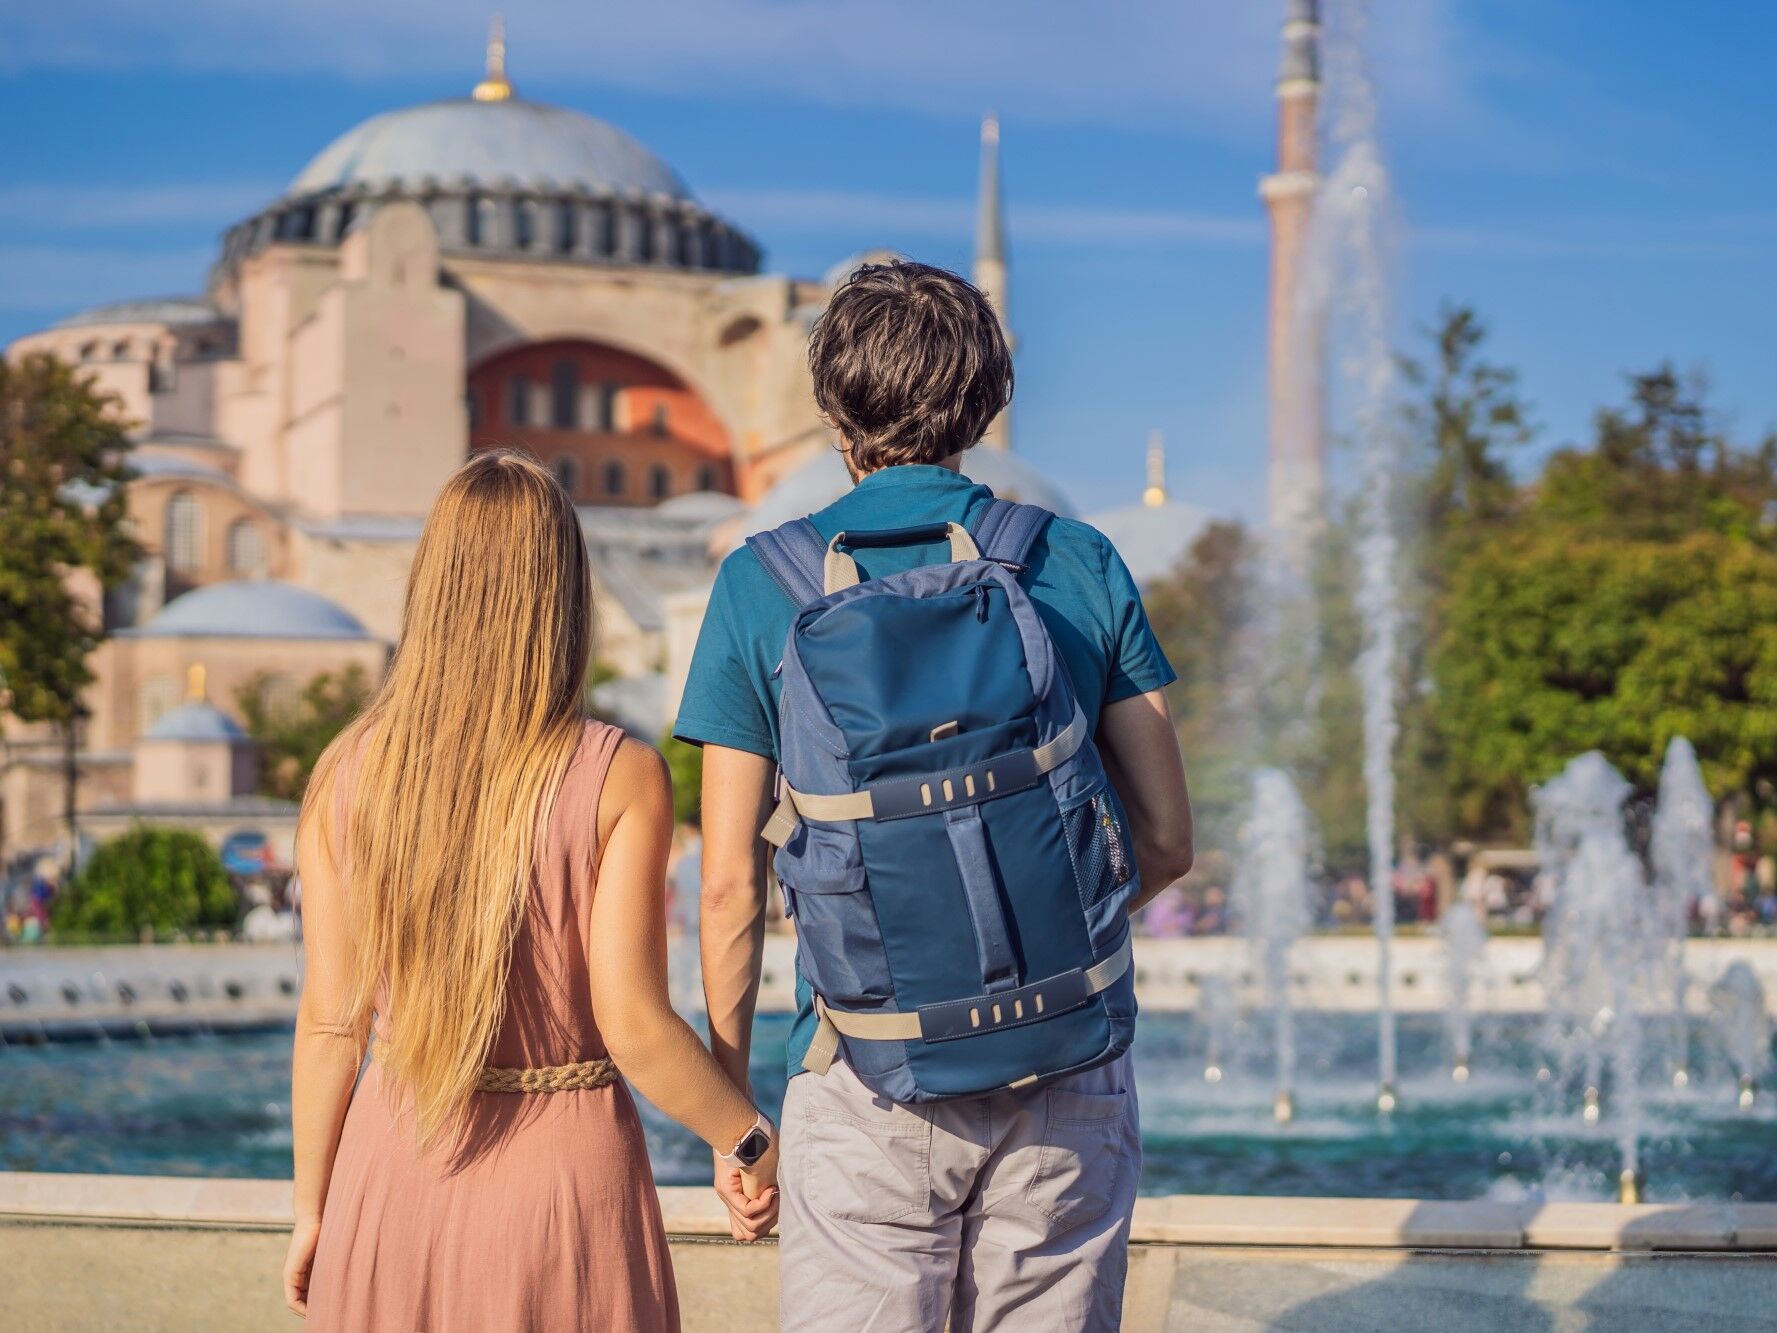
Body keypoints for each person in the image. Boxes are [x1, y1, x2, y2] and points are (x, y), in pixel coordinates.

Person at [674, 261, 1194, 1331]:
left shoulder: (761, 582)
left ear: (830, 404)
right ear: (988, 399)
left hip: (863, 1061)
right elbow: (1168, 839)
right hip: (1064, 1060)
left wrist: (736, 1118)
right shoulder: (1077, 560)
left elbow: (727, 887)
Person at [282, 451, 779, 1331]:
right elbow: (631, 1023)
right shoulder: (617, 773)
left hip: (386, 1175)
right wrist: (747, 1137)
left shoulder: (345, 773)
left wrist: (314, 1208)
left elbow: (329, 1023)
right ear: (563, 592)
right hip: (562, 1184)